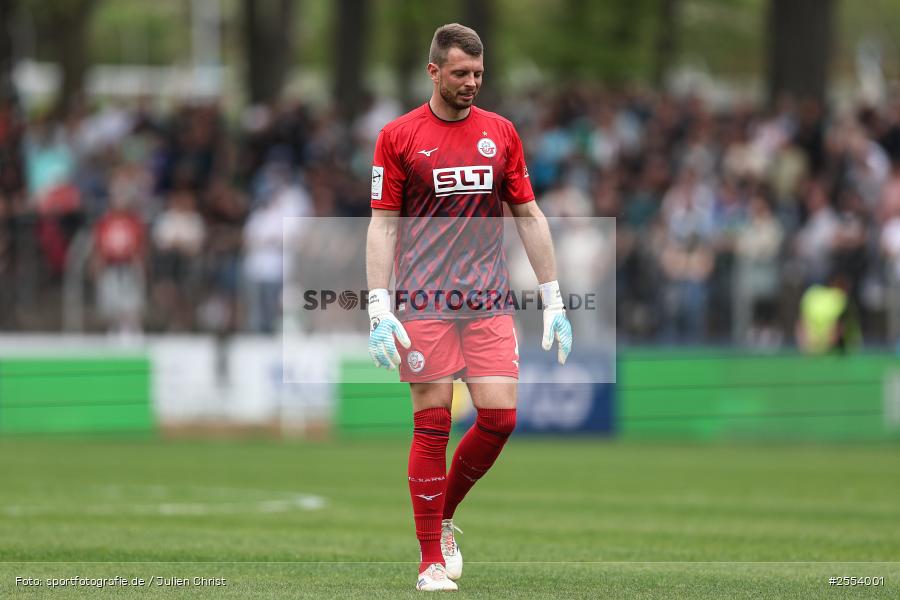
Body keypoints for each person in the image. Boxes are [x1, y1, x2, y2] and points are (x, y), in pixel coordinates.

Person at [365, 24, 572, 592]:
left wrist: (554, 296)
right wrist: (379, 307)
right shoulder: (399, 136)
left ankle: (444, 514)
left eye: (478, 74)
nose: (472, 84)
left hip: (486, 299)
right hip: (423, 299)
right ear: (434, 72)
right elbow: (383, 225)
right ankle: (430, 559)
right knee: (432, 423)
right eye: (461, 74)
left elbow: (529, 215)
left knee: (500, 418)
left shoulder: (501, 134)